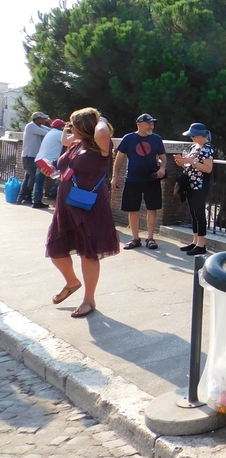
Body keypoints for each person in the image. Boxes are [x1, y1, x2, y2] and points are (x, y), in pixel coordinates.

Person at [45, 107, 119, 318]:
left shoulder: (101, 146)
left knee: (88, 253)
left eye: (74, 124)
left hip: (90, 208)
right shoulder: (77, 145)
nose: (70, 128)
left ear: (86, 127)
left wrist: (99, 117)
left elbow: (103, 131)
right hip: (66, 205)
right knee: (56, 249)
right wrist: (54, 172)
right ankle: (72, 282)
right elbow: (64, 144)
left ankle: (89, 299)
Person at [112, 113, 167, 250]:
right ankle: (135, 238)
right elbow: (119, 158)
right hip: (133, 179)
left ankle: (150, 238)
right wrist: (115, 176)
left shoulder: (156, 139)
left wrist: (163, 168)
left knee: (152, 208)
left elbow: (163, 157)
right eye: (148, 123)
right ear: (139, 124)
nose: (151, 126)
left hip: (151, 179)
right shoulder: (129, 138)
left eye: (152, 123)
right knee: (132, 209)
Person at [173, 123, 214, 256]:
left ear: (200, 135)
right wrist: (182, 162)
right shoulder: (194, 146)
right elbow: (189, 164)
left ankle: (201, 244)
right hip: (191, 184)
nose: (192, 138)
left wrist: (192, 162)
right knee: (193, 213)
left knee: (199, 214)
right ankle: (195, 241)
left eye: (194, 136)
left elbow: (208, 168)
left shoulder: (208, 148)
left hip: (200, 185)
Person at [18, 111, 52, 208]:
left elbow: (50, 130)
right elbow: (47, 133)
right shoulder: (31, 126)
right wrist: (50, 123)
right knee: (32, 178)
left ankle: (22, 198)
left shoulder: (39, 127)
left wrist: (50, 125)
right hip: (29, 156)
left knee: (28, 177)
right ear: (37, 119)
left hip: (33, 157)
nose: (44, 120)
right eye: (43, 118)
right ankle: (26, 197)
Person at [35, 118, 66, 201]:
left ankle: (36, 201)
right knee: (62, 176)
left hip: (39, 159)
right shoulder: (60, 133)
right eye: (63, 126)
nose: (63, 128)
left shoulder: (49, 133)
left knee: (39, 182)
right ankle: (52, 195)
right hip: (50, 161)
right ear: (60, 127)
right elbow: (68, 141)